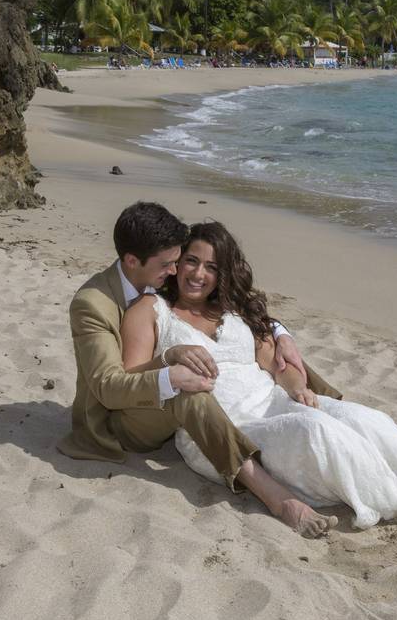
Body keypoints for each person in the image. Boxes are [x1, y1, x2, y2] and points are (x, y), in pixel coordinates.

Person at [120, 221, 397, 552]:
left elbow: (276, 364)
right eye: (192, 261)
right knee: (318, 432)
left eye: (212, 266)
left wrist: (296, 386)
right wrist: (171, 357)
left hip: (271, 401)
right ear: (176, 264)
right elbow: (133, 376)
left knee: (367, 418)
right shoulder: (152, 310)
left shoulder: (230, 310)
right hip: (220, 430)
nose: (199, 274)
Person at [57, 202, 342, 537]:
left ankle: (337, 407)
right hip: (120, 419)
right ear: (133, 261)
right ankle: (278, 499)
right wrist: (169, 367)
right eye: (169, 264)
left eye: (178, 260)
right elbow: (109, 386)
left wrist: (280, 332)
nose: (178, 271)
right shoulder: (93, 303)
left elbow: (237, 310)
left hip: (157, 402)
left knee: (278, 353)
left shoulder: (153, 275)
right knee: (188, 390)